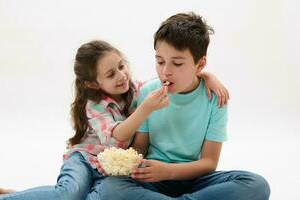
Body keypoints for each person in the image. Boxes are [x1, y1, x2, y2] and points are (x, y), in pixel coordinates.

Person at [0, 39, 228, 200]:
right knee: (68, 194)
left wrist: (205, 75)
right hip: (85, 160)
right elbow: (115, 138)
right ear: (92, 84)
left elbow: (172, 79)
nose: (121, 76)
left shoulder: (137, 90)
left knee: (84, 194)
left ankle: (18, 195)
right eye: (111, 74)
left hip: (108, 170)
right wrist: (144, 110)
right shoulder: (95, 105)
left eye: (121, 66)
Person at [98, 12, 271, 200]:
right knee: (109, 188)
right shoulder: (148, 93)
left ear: (200, 64)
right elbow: (140, 146)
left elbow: (209, 162)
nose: (165, 72)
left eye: (177, 63)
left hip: (195, 179)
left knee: (256, 185)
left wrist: (168, 171)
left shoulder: (214, 99)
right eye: (160, 61)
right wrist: (128, 162)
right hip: (152, 178)